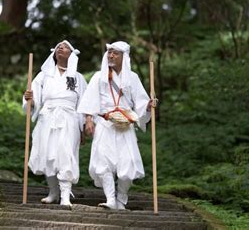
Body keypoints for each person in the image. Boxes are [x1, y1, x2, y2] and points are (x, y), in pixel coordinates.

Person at [77, 41, 155, 210]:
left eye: (115, 53)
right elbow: (90, 98)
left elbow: (141, 100)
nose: (111, 55)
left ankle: (121, 200)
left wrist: (148, 106)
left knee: (127, 165)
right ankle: (110, 199)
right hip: (105, 123)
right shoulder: (99, 76)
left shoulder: (132, 77)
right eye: (109, 52)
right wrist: (89, 119)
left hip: (125, 125)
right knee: (103, 162)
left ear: (124, 56)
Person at [23, 40, 87, 207]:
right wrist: (29, 98)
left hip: (69, 119)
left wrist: (83, 127)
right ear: (54, 53)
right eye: (59, 47)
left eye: (65, 47)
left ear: (72, 55)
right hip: (47, 117)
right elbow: (34, 99)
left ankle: (65, 195)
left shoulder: (78, 78)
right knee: (48, 153)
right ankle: (53, 191)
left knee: (65, 154)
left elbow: (83, 104)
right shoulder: (44, 75)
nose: (61, 49)